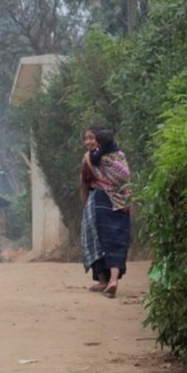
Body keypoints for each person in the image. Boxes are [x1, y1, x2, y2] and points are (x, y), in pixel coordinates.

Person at [80, 126, 132, 298]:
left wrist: (85, 205)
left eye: (91, 138)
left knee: (99, 241)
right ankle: (112, 280)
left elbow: (85, 185)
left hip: (100, 201)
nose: (88, 141)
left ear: (99, 141)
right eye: (86, 138)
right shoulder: (120, 156)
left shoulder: (90, 159)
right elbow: (126, 180)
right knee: (117, 240)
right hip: (121, 202)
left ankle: (105, 281)